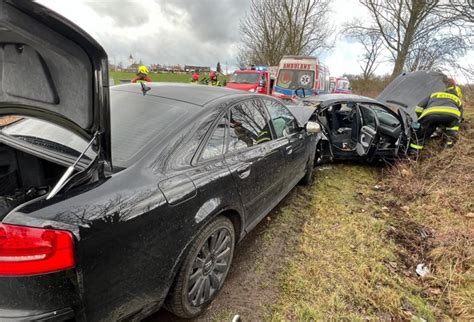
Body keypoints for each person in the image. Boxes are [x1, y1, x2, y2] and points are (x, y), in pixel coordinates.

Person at [411, 79, 463, 150]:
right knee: (450, 134)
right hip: (451, 116)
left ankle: (413, 153)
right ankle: (447, 151)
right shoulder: (457, 99)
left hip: (431, 115)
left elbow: (418, 107)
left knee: (420, 136)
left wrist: (420, 118)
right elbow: (460, 115)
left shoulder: (434, 94)